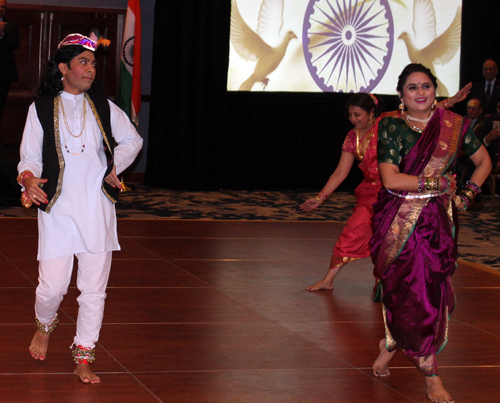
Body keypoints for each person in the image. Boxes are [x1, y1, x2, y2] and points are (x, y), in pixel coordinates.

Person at [17, 33, 143, 384]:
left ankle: (84, 355)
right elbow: (28, 156)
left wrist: (113, 167)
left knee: (93, 290)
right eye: (83, 63)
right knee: (52, 289)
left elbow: (133, 139)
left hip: (97, 208)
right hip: (57, 206)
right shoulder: (40, 107)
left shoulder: (103, 106)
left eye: (93, 63)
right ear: (63, 68)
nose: (90, 69)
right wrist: (28, 179)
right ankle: (44, 325)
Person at [370, 63, 491, 403]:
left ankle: (430, 374)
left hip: (436, 223)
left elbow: (484, 163)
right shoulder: (391, 126)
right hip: (396, 219)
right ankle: (393, 342)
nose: (420, 92)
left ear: (434, 91)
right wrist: (440, 183)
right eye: (412, 87)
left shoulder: (455, 127)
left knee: (426, 297)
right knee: (400, 293)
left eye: (426, 86)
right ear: (401, 95)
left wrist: (466, 196)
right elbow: (391, 179)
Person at [301, 84, 472, 293]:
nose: (353, 119)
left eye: (357, 114)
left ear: (372, 113)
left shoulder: (388, 123)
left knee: (391, 238)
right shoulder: (351, 138)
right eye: (350, 115)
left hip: (396, 191)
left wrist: (452, 101)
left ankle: (383, 281)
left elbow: (420, 111)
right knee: (353, 231)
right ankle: (328, 280)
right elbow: (340, 172)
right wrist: (320, 198)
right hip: (369, 195)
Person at [0, 0, 20, 130]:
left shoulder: (11, 25)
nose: (1, 9)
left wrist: (2, 34)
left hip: (3, 74)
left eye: (3, 7)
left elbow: (15, 44)